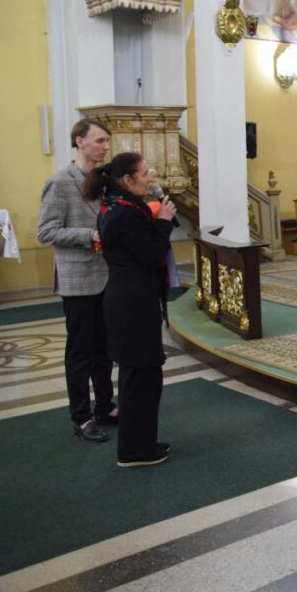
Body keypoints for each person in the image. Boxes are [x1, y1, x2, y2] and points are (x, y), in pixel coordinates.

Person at [82, 152, 176, 467]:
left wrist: (159, 222)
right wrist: (163, 223)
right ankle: (135, 452)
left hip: (129, 299)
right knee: (140, 378)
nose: (150, 178)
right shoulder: (125, 214)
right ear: (127, 180)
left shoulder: (116, 206)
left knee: (142, 376)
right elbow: (150, 255)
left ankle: (140, 443)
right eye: (145, 173)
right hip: (133, 303)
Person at [37, 118, 117, 443]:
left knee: (104, 350)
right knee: (80, 352)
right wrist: (90, 235)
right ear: (79, 141)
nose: (105, 147)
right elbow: (46, 232)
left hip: (105, 276)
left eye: (107, 141)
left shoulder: (103, 181)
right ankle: (81, 417)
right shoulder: (60, 183)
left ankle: (105, 406)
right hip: (78, 279)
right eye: (99, 140)